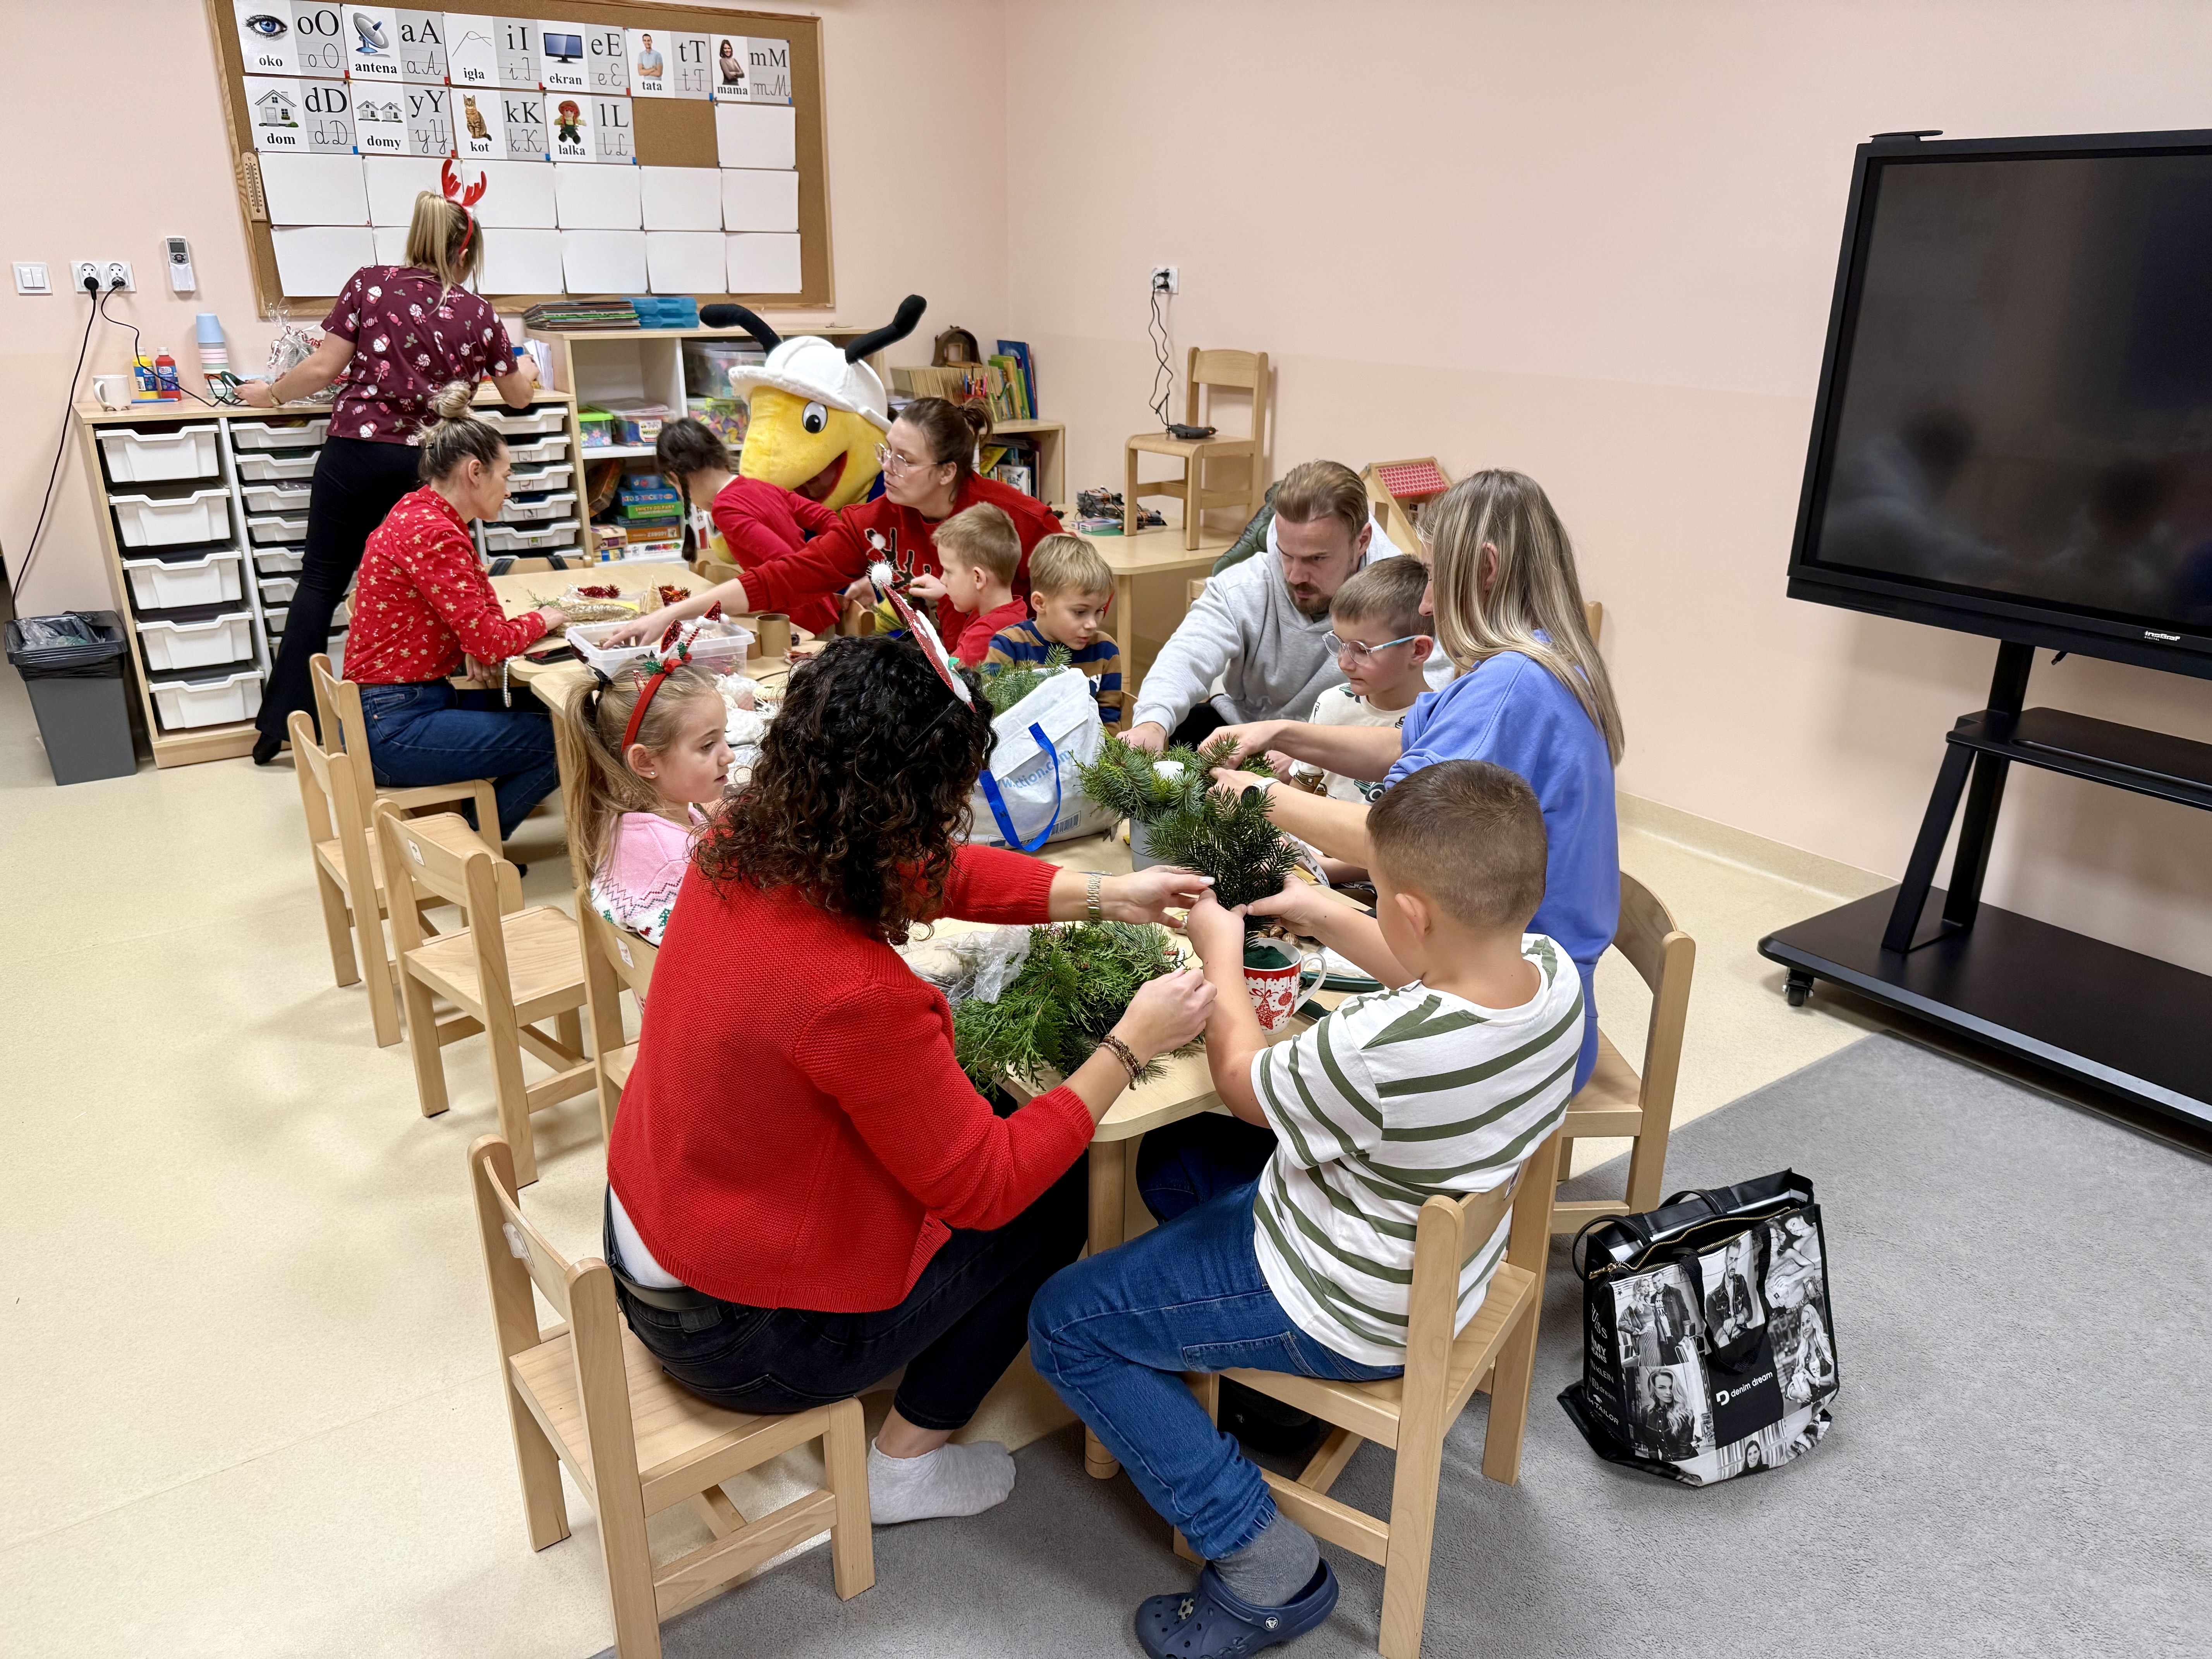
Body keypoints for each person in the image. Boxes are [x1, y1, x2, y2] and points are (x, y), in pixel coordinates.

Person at [603, 633, 1217, 1526]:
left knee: (988, 1126)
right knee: (1054, 1196)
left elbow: (923, 875)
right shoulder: (854, 995)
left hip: (656, 1238)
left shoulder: (745, 838)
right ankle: (903, 1467)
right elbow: (988, 1187)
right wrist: (1129, 1046)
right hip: (738, 1340)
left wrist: (1103, 893)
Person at [1029, 761, 1581, 1657]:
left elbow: (1244, 1084)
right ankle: (1266, 1398)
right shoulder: (1551, 974)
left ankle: (1261, 1559)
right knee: (1178, 1161)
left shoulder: (1379, 1048)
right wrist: (1321, 910)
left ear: (1412, 914)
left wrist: (1218, 950)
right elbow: (1427, 969)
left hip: (1346, 1304)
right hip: (1437, 1273)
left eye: (1381, 897)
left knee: (1065, 1322)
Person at [1201, 469, 1624, 1092]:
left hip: (1511, 1032)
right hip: (1542, 999)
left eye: (1433, 577)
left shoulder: (1512, 687)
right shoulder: (1541, 659)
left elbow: (1392, 835)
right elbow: (1407, 745)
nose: (1426, 603)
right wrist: (1283, 733)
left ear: (1485, 569)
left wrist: (1260, 796)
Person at [242, 190, 541, 764]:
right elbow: (519, 397)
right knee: (439, 588)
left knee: (320, 583)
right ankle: (434, 714)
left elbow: (323, 367)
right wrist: (523, 367)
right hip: (426, 466)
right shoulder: (479, 313)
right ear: (464, 253)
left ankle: (281, 726)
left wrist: (271, 395)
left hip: (355, 452)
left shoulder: (370, 284)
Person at [342, 383, 569, 842]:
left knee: (545, 710)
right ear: (475, 472)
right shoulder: (435, 532)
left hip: (393, 706)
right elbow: (491, 639)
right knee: (564, 739)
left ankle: (466, 832)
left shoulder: (423, 512)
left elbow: (479, 600)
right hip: (395, 724)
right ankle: (467, 848)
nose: (509, 489)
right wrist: (547, 618)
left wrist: (480, 640)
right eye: (505, 475)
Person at [1124, 459, 1442, 754]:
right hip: (1243, 727)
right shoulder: (1245, 585)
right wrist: (1152, 723)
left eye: (1317, 558)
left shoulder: (1413, 599)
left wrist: (1310, 755)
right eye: (1286, 555)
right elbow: (1188, 653)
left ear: (1362, 541)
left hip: (1349, 749)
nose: (1295, 575)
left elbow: (1429, 710)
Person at [669, 397, 1061, 628]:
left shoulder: (1020, 519)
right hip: (939, 669)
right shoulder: (876, 519)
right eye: (887, 451)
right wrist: (673, 615)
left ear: (947, 472)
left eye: (905, 459)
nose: (888, 467)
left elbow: (1076, 601)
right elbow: (785, 577)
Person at [601, 417, 843, 641]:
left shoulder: (725, 509)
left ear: (675, 478)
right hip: (820, 607)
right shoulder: (760, 487)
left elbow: (787, 566)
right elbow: (826, 518)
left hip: (800, 624)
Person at [573, 659, 732, 949]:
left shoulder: (621, 821)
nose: (729, 756)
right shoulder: (677, 862)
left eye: (726, 737)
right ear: (646, 761)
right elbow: (714, 951)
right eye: (708, 746)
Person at [1275, 555, 1435, 809]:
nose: (1344, 663)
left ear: (1418, 651)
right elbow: (1302, 789)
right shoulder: (1331, 703)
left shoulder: (1438, 724)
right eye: (1340, 643)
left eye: (1361, 650)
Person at [982, 532, 1127, 727]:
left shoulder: (1106, 650)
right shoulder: (1008, 647)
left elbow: (1109, 718)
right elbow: (992, 720)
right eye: (1080, 612)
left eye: (1099, 610)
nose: (1092, 624)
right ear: (1040, 603)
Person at [907, 502, 1029, 666]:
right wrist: (945, 595)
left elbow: (950, 673)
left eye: (948, 572)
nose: (943, 580)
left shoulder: (984, 635)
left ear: (978, 578)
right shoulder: (1012, 612)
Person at [1639, 1371, 1698, 1461]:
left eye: (1671, 1388)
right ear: (1654, 1389)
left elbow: (1684, 1450)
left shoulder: (1684, 1413)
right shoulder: (1646, 1413)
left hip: (1689, 1461)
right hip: (1667, 1462)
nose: (1668, 1392)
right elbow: (1652, 1448)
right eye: (1662, 1388)